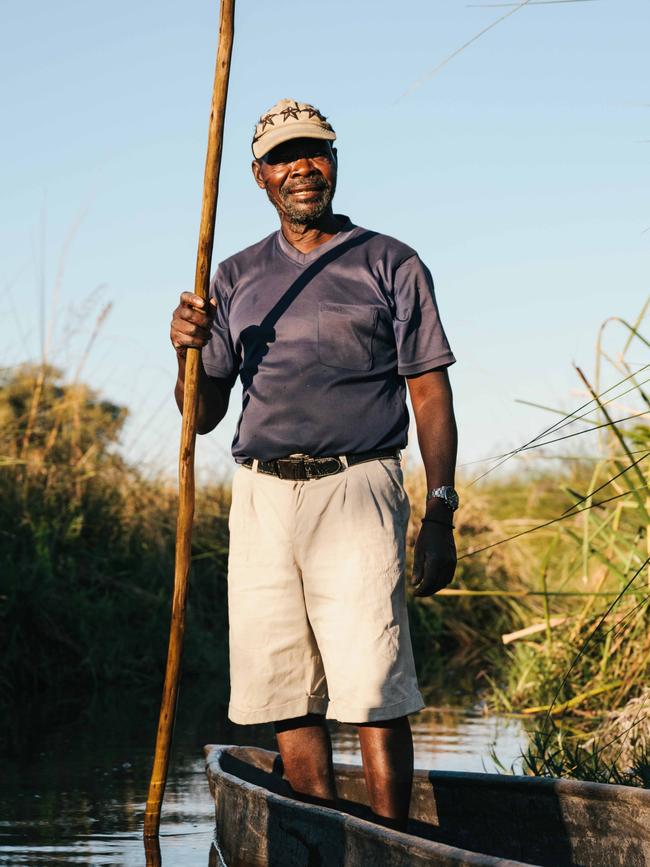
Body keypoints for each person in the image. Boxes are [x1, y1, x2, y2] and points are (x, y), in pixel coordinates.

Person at [170, 99, 458, 830]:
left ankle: (389, 843)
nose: (303, 167)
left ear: (334, 162)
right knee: (283, 685)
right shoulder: (233, 277)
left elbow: (428, 389)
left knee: (373, 680)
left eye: (316, 152)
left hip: (358, 485)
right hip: (264, 495)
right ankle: (320, 835)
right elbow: (200, 416)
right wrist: (186, 351)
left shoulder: (390, 261)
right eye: (284, 157)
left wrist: (442, 507)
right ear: (260, 177)